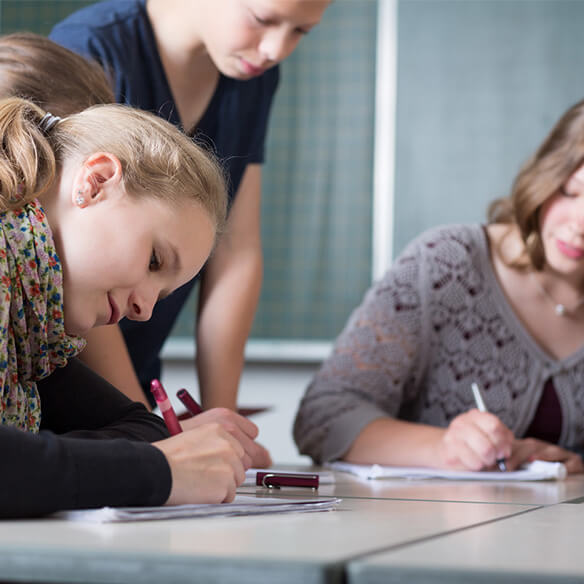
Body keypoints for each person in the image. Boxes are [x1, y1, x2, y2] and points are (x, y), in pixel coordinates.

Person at [49, 0, 331, 442]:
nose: (277, 48)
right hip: (76, 393)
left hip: (139, 392)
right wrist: (143, 432)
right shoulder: (93, 47)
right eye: (263, 19)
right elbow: (69, 257)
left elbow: (236, 250)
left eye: (301, 31)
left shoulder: (252, 76)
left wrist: (221, 425)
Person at [0, 93, 269, 518]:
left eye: (162, 295)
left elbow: (141, 426)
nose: (143, 311)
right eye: (154, 261)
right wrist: (160, 471)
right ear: (97, 181)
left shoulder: (33, 332)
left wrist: (45, 462)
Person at [294, 99, 584, 476]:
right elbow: (323, 416)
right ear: (547, 176)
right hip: (428, 526)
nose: (579, 223)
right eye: (571, 192)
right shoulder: (446, 265)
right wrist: (443, 448)